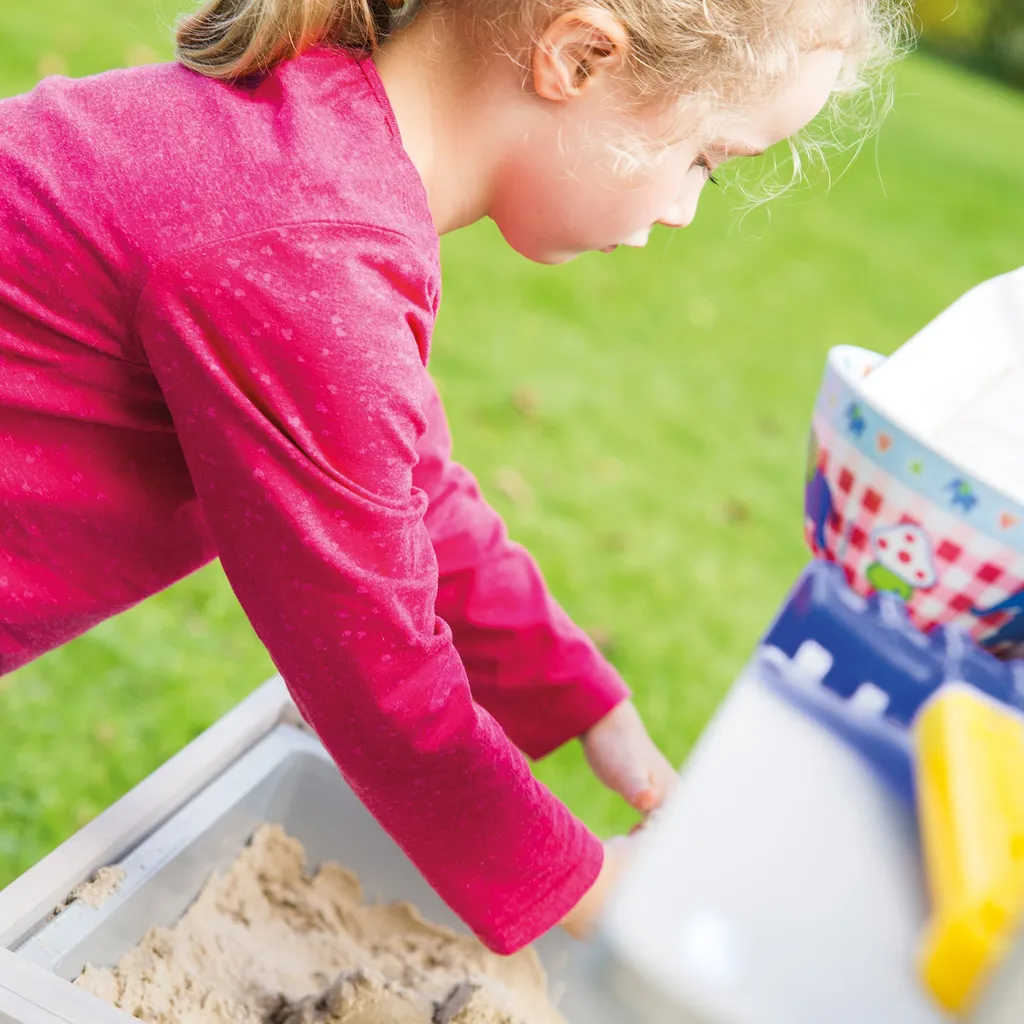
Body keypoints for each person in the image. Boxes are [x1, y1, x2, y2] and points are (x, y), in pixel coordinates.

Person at [0, 0, 903, 954]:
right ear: (582, 57)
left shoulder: (321, 150)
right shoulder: (300, 246)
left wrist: (595, 710)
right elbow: (377, 673)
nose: (682, 208)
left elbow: (408, 487)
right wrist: (593, 893)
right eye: (705, 161)